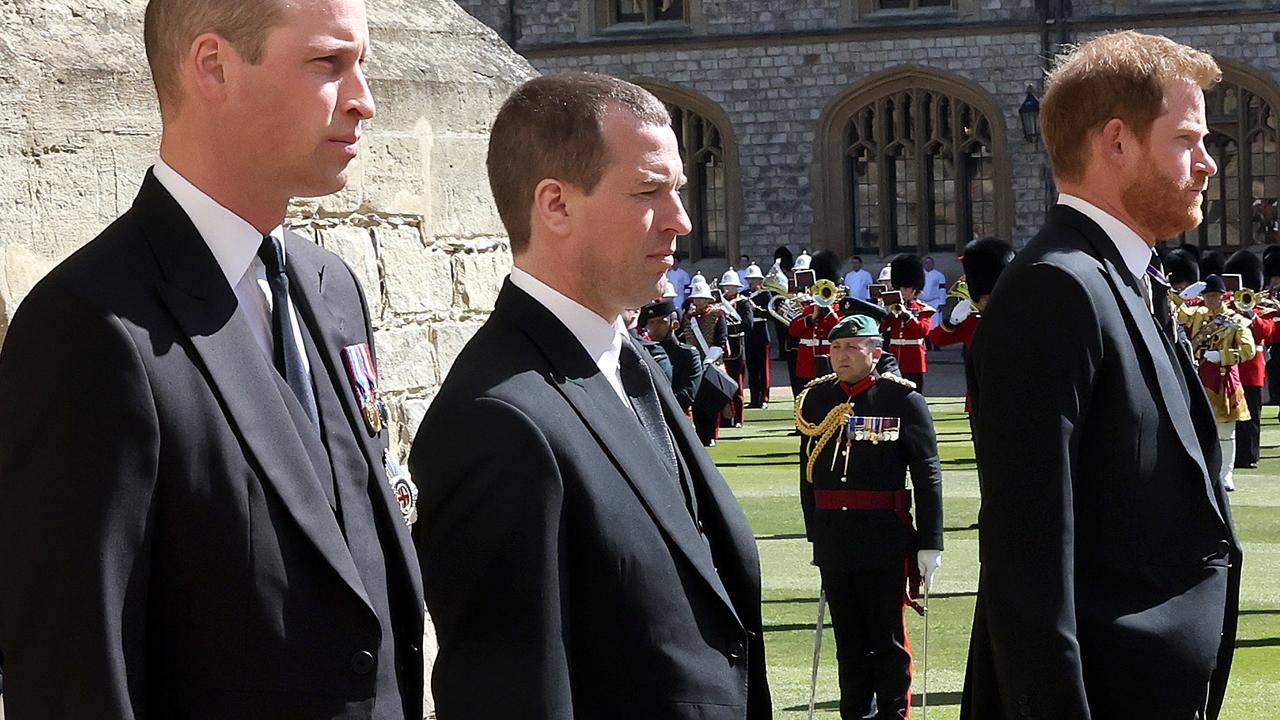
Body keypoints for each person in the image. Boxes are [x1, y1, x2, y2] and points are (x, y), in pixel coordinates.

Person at [0, 1, 426, 717]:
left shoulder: (331, 289)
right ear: (213, 67)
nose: (365, 102)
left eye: (364, 66)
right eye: (328, 63)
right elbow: (79, 674)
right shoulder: (89, 325)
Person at [410, 74, 771, 720]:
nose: (681, 221)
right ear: (556, 206)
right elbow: (517, 697)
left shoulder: (623, 358)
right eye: (647, 192)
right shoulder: (499, 421)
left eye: (678, 192)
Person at [961, 32, 1241, 720]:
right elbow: (1027, 555)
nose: (1207, 163)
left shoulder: (1126, 279)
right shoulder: (1058, 288)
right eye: (1186, 138)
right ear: (1117, 142)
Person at [796, 314, 943, 720]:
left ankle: (893, 714)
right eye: (836, 348)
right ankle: (855, 713)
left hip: (883, 537)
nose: (840, 356)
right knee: (849, 641)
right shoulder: (816, 398)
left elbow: (926, 471)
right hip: (835, 537)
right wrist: (815, 531)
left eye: (852, 348)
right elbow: (807, 469)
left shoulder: (902, 400)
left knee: (887, 639)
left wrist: (931, 541)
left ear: (875, 353)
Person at [1175, 275, 1256, 491]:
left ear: (1223, 297)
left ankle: (1226, 473)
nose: (1211, 300)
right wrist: (1180, 298)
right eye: (1208, 296)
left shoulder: (1236, 319)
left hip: (1223, 377)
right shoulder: (1197, 314)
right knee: (1198, 428)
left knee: (1226, 431)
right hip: (1199, 376)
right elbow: (1173, 314)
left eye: (1215, 296)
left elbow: (1249, 350)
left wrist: (1223, 355)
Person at [926, 237, 1014, 414]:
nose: (983, 302)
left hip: (1010, 395)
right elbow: (936, 338)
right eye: (981, 298)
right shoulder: (972, 321)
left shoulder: (1015, 319)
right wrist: (952, 321)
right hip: (978, 398)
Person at [1224, 250, 1273, 468]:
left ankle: (1250, 455)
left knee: (1252, 417)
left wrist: (1251, 314)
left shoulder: (1260, 308)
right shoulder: (1228, 304)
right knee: (1231, 415)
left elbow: (1268, 332)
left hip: (1252, 369)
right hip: (1230, 367)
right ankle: (1233, 455)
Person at [685, 272, 733, 446]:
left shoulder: (718, 315)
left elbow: (721, 340)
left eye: (699, 299)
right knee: (697, 401)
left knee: (712, 400)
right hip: (695, 362)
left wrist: (708, 360)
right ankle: (700, 433)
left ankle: (712, 433)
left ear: (707, 300)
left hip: (712, 362)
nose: (696, 302)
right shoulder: (689, 317)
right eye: (694, 299)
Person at [881, 254, 935, 391]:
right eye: (901, 287)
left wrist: (906, 315)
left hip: (914, 361)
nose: (903, 291)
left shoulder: (923, 309)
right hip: (893, 359)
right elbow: (881, 328)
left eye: (906, 288)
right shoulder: (893, 307)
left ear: (915, 289)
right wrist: (885, 313)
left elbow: (922, 331)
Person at [641, 298, 702, 413]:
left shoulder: (688, 354)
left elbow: (687, 394)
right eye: (651, 322)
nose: (654, 328)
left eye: (660, 322)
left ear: (675, 325)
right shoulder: (643, 351)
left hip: (674, 416)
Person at [719, 268, 755, 428]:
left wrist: (731, 316)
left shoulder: (743, 303)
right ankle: (725, 418)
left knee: (737, 383)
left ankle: (738, 418)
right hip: (722, 348)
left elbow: (748, 324)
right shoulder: (719, 303)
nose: (727, 288)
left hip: (737, 347)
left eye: (730, 285)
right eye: (725, 285)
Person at [744, 263, 773, 408]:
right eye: (750, 279)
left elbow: (770, 313)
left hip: (761, 330)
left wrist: (756, 309)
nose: (751, 282)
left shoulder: (765, 294)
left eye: (754, 279)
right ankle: (754, 398)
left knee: (763, 367)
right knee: (752, 366)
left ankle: (764, 398)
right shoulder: (744, 295)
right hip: (749, 332)